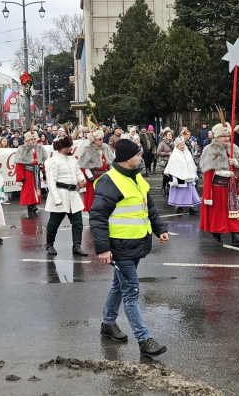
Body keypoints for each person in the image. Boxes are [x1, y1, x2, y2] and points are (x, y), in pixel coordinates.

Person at [91, 138, 169, 358]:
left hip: (136, 243)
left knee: (119, 285)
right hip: (119, 247)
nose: (141, 157)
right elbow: (97, 217)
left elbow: (148, 207)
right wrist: (103, 249)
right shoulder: (109, 181)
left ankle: (107, 324)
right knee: (131, 290)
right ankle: (144, 339)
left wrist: (159, 228)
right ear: (126, 158)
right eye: (138, 154)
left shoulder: (137, 178)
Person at [199, 123, 239, 245]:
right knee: (218, 212)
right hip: (217, 188)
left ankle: (235, 235)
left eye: (228, 135)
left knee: (234, 211)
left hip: (231, 187)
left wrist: (235, 162)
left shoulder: (233, 148)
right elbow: (209, 171)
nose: (226, 138)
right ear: (217, 137)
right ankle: (217, 236)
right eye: (223, 136)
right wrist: (227, 173)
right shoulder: (210, 150)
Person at [44, 135, 88, 256]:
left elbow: (78, 172)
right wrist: (56, 199)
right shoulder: (52, 161)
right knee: (54, 223)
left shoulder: (72, 159)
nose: (71, 148)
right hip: (60, 193)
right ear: (64, 147)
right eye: (69, 146)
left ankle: (77, 246)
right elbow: (51, 181)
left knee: (78, 222)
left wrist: (82, 179)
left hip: (73, 194)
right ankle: (49, 245)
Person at [79, 129, 114, 212]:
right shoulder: (88, 148)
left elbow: (110, 162)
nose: (102, 141)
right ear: (94, 140)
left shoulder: (105, 147)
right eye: (100, 139)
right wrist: (90, 177)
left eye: (102, 139)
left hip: (105, 176)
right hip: (94, 177)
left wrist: (112, 173)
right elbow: (85, 165)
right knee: (92, 198)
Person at [164, 136, 201, 214]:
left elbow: (191, 164)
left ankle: (191, 207)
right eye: (180, 145)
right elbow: (171, 167)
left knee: (191, 192)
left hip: (189, 177)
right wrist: (173, 178)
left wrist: (194, 172)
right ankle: (178, 207)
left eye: (183, 144)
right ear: (177, 146)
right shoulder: (174, 155)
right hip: (179, 178)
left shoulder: (188, 153)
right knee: (180, 194)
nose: (182, 146)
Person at [14, 131, 48, 216]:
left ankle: (34, 204)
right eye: (31, 139)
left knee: (37, 189)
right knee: (29, 190)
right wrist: (20, 176)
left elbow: (44, 161)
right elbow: (19, 164)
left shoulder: (40, 148)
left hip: (36, 171)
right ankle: (30, 205)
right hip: (27, 172)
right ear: (27, 140)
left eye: (34, 139)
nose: (33, 141)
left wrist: (44, 173)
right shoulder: (22, 148)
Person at [157, 130, 174, 195]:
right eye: (169, 135)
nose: (170, 136)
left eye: (171, 135)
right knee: (165, 175)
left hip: (171, 162)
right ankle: (163, 187)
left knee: (170, 175)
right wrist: (167, 153)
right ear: (165, 136)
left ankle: (169, 188)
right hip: (164, 162)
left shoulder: (173, 143)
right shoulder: (162, 143)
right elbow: (158, 152)